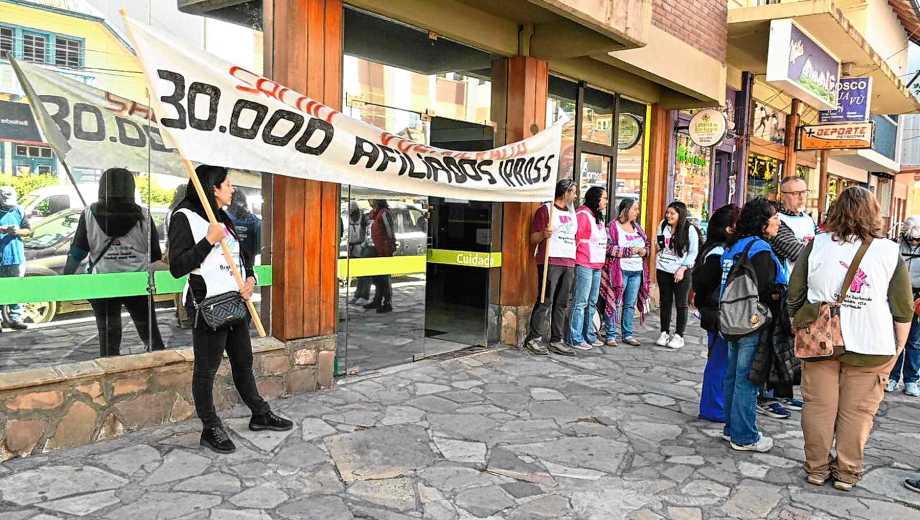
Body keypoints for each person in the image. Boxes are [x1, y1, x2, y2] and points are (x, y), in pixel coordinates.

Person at [788, 187, 911, 490]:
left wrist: (800, 323)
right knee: (858, 413)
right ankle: (847, 472)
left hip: (820, 341)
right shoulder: (889, 251)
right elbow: (903, 307)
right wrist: (898, 346)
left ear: (836, 211)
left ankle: (817, 468)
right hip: (872, 343)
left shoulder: (816, 245)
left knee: (818, 408)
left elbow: (795, 294)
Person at [168, 165, 292, 454]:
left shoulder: (222, 217)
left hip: (236, 302)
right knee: (206, 370)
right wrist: (208, 241)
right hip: (208, 306)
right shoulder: (184, 217)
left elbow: (243, 259)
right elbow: (177, 267)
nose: (233, 189)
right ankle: (210, 427)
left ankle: (260, 413)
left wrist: (251, 280)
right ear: (213, 187)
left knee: (243, 361)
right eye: (228, 184)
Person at [63, 169, 165, 356]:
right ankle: (161, 366)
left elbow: (77, 253)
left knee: (108, 338)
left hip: (103, 284)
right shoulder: (144, 215)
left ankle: (110, 371)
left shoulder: (88, 214)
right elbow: (155, 255)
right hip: (137, 283)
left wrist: (65, 280)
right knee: (150, 334)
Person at [720, 198, 786, 452]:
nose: (778, 222)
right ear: (762, 222)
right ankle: (745, 436)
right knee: (748, 379)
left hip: (731, 318)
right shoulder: (760, 248)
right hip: (752, 321)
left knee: (733, 376)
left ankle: (731, 428)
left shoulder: (734, 245)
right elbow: (766, 288)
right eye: (775, 218)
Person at [760, 176, 817, 418]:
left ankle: (784, 392)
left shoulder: (808, 220)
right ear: (782, 196)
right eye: (794, 193)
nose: (800, 197)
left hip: (803, 291)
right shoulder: (777, 221)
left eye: (803, 192)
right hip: (781, 290)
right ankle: (766, 396)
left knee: (789, 346)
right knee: (774, 343)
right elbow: (798, 252)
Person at [692, 204, 740, 422]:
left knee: (720, 360)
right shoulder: (718, 253)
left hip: (715, 312)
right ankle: (714, 407)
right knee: (719, 362)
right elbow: (704, 284)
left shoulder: (717, 249)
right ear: (729, 228)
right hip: (717, 313)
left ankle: (716, 405)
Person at [523, 178, 578, 356]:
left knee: (562, 303)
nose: (575, 196)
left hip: (568, 261)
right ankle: (534, 338)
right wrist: (543, 234)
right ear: (565, 192)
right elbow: (533, 238)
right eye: (573, 192)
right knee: (545, 299)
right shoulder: (545, 210)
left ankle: (556, 339)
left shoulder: (572, 213)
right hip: (550, 260)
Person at [600, 197, 649, 347]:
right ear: (626, 210)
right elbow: (607, 248)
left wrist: (644, 251)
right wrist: (629, 251)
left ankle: (627, 334)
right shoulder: (612, 227)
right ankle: (611, 334)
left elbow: (647, 244)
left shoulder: (638, 228)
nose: (637, 212)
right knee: (614, 302)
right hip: (619, 271)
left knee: (630, 304)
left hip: (636, 271)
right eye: (635, 209)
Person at [655, 201, 699, 349]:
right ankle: (664, 332)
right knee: (665, 302)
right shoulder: (663, 225)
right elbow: (659, 243)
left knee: (681, 303)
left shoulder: (689, 229)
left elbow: (693, 252)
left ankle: (679, 335)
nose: (668, 215)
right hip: (663, 269)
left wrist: (683, 268)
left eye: (672, 213)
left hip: (681, 271)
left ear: (680, 214)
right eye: (667, 213)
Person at [569, 186, 608, 350]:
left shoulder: (597, 216)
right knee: (581, 302)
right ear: (595, 199)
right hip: (584, 263)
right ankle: (575, 337)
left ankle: (589, 334)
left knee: (592, 302)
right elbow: (576, 239)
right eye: (604, 198)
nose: (606, 201)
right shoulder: (583, 215)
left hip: (597, 264)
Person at [888, 215, 920, 397]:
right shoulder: (896, 246)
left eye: (918, 239)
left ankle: (911, 380)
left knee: (914, 341)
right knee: (895, 339)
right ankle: (892, 376)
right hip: (898, 296)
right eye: (911, 238)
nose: (914, 242)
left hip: (917, 298)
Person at [0, 186, 31, 332]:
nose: (9, 206)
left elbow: (29, 230)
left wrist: (16, 231)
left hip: (16, 258)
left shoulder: (19, 210)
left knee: (15, 289)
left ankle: (15, 319)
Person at [166, 184, 193, 328]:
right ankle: (184, 316)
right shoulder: (182, 212)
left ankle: (180, 312)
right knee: (183, 283)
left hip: (170, 250)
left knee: (178, 285)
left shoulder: (170, 211)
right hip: (181, 250)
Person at [364, 199, 396, 314]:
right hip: (376, 249)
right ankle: (377, 300)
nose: (370, 201)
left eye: (371, 199)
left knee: (385, 278)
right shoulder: (375, 214)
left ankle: (387, 303)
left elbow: (390, 232)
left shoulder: (384, 213)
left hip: (384, 250)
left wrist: (390, 247)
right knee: (377, 278)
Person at [227, 190, 261, 270]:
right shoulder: (254, 220)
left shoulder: (224, 218)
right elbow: (259, 248)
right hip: (248, 265)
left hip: (227, 264)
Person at [346, 201, 372, 305]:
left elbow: (370, 231)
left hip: (362, 248)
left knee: (364, 275)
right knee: (358, 274)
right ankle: (357, 295)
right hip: (352, 249)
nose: (351, 214)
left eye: (353, 211)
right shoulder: (349, 218)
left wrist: (364, 244)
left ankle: (364, 296)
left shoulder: (363, 218)